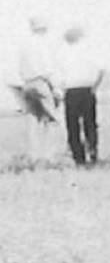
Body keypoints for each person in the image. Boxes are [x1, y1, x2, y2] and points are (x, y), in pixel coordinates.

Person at [56, 25, 105, 165]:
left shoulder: (62, 53)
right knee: (90, 123)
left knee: (73, 126)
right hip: (87, 89)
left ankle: (79, 157)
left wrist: (60, 90)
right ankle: (93, 151)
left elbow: (59, 75)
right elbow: (101, 70)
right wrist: (95, 87)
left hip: (71, 91)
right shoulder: (89, 51)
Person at [15, 16, 60, 159]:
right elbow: (47, 69)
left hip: (27, 84)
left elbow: (20, 68)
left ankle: (33, 154)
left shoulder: (25, 45)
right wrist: (55, 87)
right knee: (52, 119)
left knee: (33, 120)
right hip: (41, 82)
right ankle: (48, 154)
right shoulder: (42, 44)